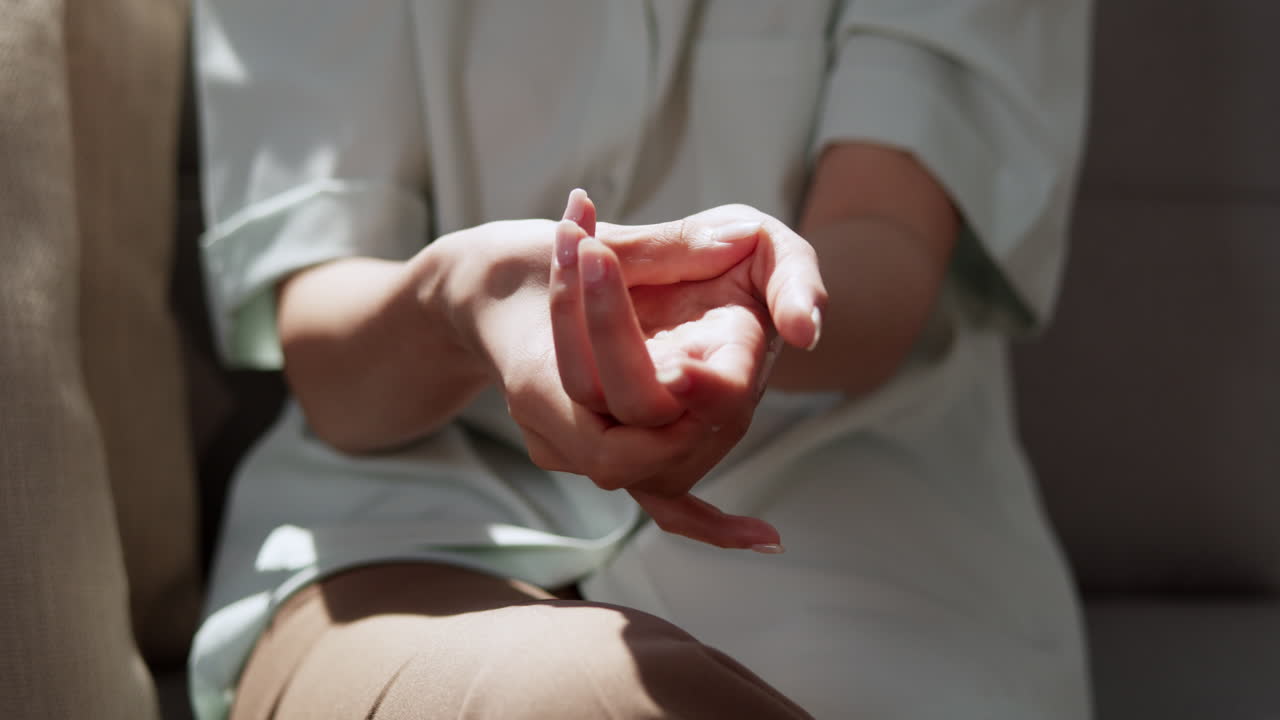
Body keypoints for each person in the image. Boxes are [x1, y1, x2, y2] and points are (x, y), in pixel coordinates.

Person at [189, 1, 1092, 718]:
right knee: (552, 703)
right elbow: (330, 358)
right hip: (399, 543)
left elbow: (885, 241)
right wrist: (452, 301)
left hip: (854, 560)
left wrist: (755, 305)